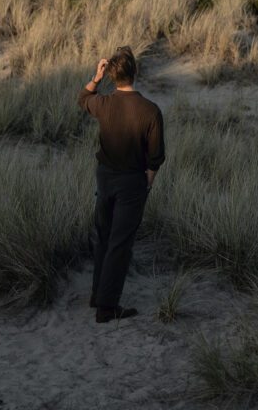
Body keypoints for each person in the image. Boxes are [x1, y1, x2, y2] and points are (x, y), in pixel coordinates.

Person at [78, 46, 165, 323]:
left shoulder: (103, 103)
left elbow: (83, 98)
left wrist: (96, 77)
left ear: (112, 74)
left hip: (105, 177)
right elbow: (155, 157)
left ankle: (97, 294)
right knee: (120, 243)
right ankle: (107, 306)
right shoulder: (150, 111)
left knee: (104, 237)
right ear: (135, 73)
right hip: (132, 182)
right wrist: (147, 184)